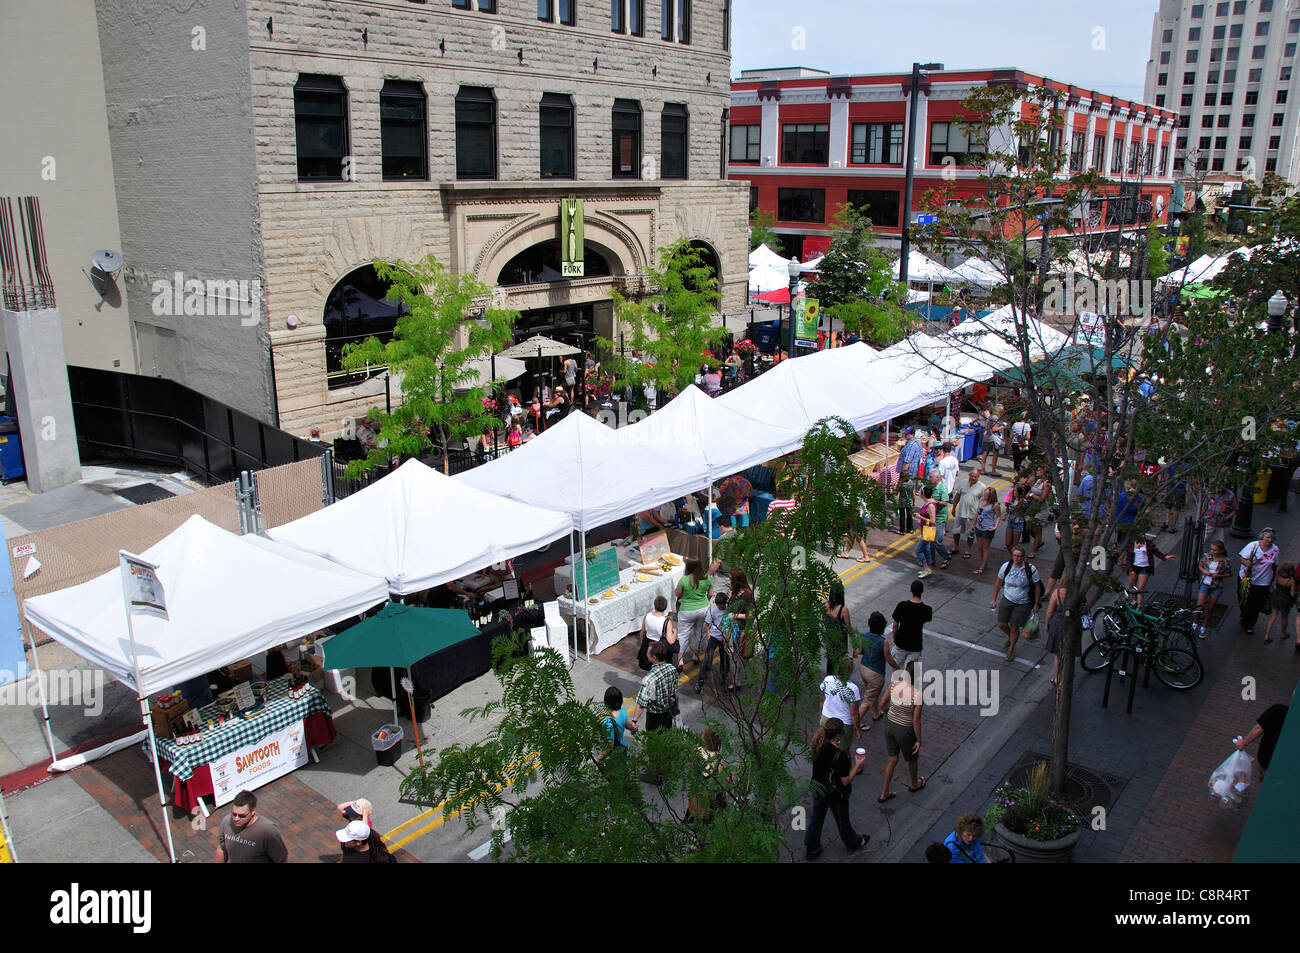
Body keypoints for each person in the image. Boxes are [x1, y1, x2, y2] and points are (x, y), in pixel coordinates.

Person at [804, 717, 869, 859]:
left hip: (817, 787)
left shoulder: (818, 745)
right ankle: (853, 841)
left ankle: (811, 847)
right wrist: (857, 766)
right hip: (834, 793)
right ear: (838, 734)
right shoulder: (840, 757)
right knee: (842, 819)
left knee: (816, 818)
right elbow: (845, 781)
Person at [878, 661, 925, 800]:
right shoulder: (917, 695)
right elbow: (916, 721)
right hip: (905, 730)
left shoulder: (894, 686)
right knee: (912, 759)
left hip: (890, 725)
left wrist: (890, 713)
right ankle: (914, 783)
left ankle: (884, 792)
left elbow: (882, 704)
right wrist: (919, 739)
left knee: (892, 759)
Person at [990, 547, 1041, 662]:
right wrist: (994, 599)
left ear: (1023, 557)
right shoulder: (1006, 566)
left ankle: (1011, 649)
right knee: (1001, 624)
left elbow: (1037, 587)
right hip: (1007, 599)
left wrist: (1036, 604)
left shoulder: (1031, 569)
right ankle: (1011, 637)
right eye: (1015, 556)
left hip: (1023, 603)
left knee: (1014, 626)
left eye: (1019, 556)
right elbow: (998, 583)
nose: (1017, 558)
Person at [216, 790, 287, 863]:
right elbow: (221, 849)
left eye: (242, 816)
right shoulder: (226, 821)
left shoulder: (268, 831)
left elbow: (281, 860)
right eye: (234, 814)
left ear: (253, 811)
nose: (236, 819)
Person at [1239, 527, 1280, 636]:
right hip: (1246, 578)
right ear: (1263, 537)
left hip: (1263, 581)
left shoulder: (1275, 550)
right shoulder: (1253, 545)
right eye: (1268, 537)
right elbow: (1241, 558)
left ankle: (1249, 625)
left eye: (1272, 538)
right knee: (1244, 600)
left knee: (1255, 604)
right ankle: (1244, 614)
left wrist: (1272, 579)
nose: (1270, 540)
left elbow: (1274, 565)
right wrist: (1246, 563)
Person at [630, 640, 678, 732]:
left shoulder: (649, 680)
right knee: (667, 737)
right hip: (669, 712)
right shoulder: (672, 669)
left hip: (654, 718)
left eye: (648, 653)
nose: (646, 653)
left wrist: (634, 721)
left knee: (653, 741)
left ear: (654, 658)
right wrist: (677, 706)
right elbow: (675, 692)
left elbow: (641, 703)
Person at [856, 611, 893, 732]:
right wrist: (899, 668)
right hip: (876, 674)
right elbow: (889, 659)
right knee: (867, 700)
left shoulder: (865, 636)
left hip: (863, 669)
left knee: (871, 693)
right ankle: (855, 724)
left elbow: (859, 651)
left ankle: (876, 713)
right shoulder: (883, 642)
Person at [675, 557, 713, 664]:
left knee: (683, 635)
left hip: (686, 611)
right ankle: (695, 655)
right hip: (703, 609)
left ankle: (680, 659)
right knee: (699, 633)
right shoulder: (707, 578)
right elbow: (711, 594)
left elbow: (677, 593)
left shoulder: (684, 579)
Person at [1043, 577, 1080, 687]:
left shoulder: (1058, 593)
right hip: (1073, 625)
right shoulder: (1077, 594)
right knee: (1070, 652)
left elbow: (1050, 611)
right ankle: (1068, 674)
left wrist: (1046, 623)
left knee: (1058, 654)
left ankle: (1058, 677)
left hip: (1058, 624)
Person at [1122, 534, 1177, 608]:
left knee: (1140, 588)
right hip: (1134, 567)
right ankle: (1134, 600)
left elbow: (1157, 552)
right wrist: (1130, 569)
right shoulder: (1131, 544)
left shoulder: (1149, 543)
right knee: (1132, 585)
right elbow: (1128, 558)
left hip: (1145, 567)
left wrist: (1165, 557)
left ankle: (1139, 605)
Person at [1234, 703, 1290, 771]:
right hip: (1288, 764)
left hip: (1267, 759)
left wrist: (1243, 743)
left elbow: (1258, 728)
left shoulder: (1278, 710)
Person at [697, 591, 733, 692]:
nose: (720, 607)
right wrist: (708, 634)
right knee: (708, 658)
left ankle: (724, 676)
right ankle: (701, 679)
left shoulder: (728, 610)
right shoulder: (713, 611)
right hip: (714, 637)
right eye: (718, 605)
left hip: (724, 637)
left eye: (721, 605)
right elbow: (706, 624)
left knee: (725, 659)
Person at [891, 580, 932, 670]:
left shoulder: (902, 605)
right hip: (915, 645)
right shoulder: (927, 610)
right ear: (922, 591)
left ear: (910, 590)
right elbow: (926, 619)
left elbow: (895, 625)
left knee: (897, 671)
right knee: (912, 672)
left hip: (901, 643)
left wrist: (895, 638)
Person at [1195, 540, 1231, 638]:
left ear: (1221, 551)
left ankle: (1204, 628)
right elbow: (1200, 566)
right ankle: (1195, 623)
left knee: (1210, 608)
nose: (1212, 551)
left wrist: (1219, 575)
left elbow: (1229, 573)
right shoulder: (1207, 556)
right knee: (1200, 607)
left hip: (1217, 585)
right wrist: (1205, 572)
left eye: (1215, 550)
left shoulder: (1226, 561)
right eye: (1212, 549)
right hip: (1206, 584)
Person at [951, 466, 988, 559]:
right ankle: (956, 546)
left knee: (970, 534)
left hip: (972, 515)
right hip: (961, 512)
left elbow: (984, 501)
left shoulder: (982, 487)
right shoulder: (963, 482)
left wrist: (980, 514)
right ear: (969, 475)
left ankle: (968, 549)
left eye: (975, 477)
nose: (973, 478)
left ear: (978, 477)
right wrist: (954, 507)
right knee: (956, 531)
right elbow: (957, 496)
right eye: (972, 476)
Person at [819, 657, 862, 735]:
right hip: (843, 723)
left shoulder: (828, 679)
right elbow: (854, 713)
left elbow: (822, 700)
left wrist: (821, 714)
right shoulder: (853, 688)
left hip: (826, 718)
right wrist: (858, 729)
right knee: (842, 746)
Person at [637, 595, 677, 671]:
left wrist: (643, 642)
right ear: (665, 607)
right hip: (659, 647)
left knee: (648, 667)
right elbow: (671, 641)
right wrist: (675, 632)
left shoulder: (647, 616)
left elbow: (642, 632)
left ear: (654, 606)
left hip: (647, 644)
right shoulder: (666, 622)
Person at [597, 686, 637, 761]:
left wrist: (600, 757)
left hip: (613, 758)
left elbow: (610, 746)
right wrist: (634, 728)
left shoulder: (607, 722)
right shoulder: (622, 711)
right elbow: (628, 725)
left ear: (606, 702)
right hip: (623, 750)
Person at [1264, 561, 1296, 644]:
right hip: (1285, 601)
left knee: (1273, 616)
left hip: (1276, 598)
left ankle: (1267, 635)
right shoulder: (1291, 581)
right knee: (1284, 617)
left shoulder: (1279, 576)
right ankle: (1283, 633)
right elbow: (1292, 594)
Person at [973, 485, 1001, 576]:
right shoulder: (981, 500)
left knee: (985, 547)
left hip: (988, 528)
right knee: (979, 547)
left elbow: (998, 517)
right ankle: (983, 562)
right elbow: (978, 513)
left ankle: (982, 566)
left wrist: (995, 527)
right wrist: (973, 524)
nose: (985, 496)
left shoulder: (995, 505)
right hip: (979, 526)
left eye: (986, 495)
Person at [914, 484, 940, 578]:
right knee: (926, 549)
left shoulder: (930, 506)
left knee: (918, 550)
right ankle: (929, 566)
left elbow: (933, 521)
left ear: (923, 494)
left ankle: (926, 568)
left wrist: (920, 517)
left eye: (920, 492)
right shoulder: (928, 502)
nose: (919, 493)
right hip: (924, 528)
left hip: (928, 530)